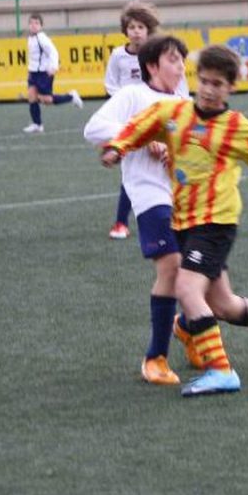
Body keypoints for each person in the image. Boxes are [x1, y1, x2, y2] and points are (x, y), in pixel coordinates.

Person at [100, 45, 248, 397]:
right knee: (222, 305)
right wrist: (118, 147)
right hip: (183, 222)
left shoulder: (237, 127)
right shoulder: (174, 113)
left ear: (231, 87)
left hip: (216, 224)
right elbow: (142, 124)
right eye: (204, 81)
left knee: (187, 289)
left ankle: (222, 371)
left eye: (217, 84)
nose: (207, 90)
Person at [83, 34, 191, 386]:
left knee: (200, 274)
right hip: (149, 193)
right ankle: (155, 358)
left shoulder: (184, 102)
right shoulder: (133, 95)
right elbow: (93, 128)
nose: (180, 67)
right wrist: (145, 138)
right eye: (173, 60)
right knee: (171, 265)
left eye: (182, 60)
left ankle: (188, 328)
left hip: (185, 196)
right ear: (152, 66)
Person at [103, 1, 189, 241]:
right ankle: (121, 222)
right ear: (125, 30)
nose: (136, 32)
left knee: (169, 166)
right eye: (132, 27)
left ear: (148, 29)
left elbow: (180, 88)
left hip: (164, 120)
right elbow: (111, 85)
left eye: (141, 27)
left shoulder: (162, 54)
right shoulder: (118, 56)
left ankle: (179, 215)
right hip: (132, 122)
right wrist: (126, 109)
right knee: (133, 168)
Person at [21, 12, 83, 133]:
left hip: (43, 73)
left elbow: (53, 51)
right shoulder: (30, 38)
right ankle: (37, 124)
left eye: (36, 23)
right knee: (32, 97)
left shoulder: (42, 38)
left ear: (41, 26)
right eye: (31, 23)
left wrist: (53, 67)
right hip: (33, 73)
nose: (33, 25)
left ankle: (71, 96)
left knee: (47, 100)